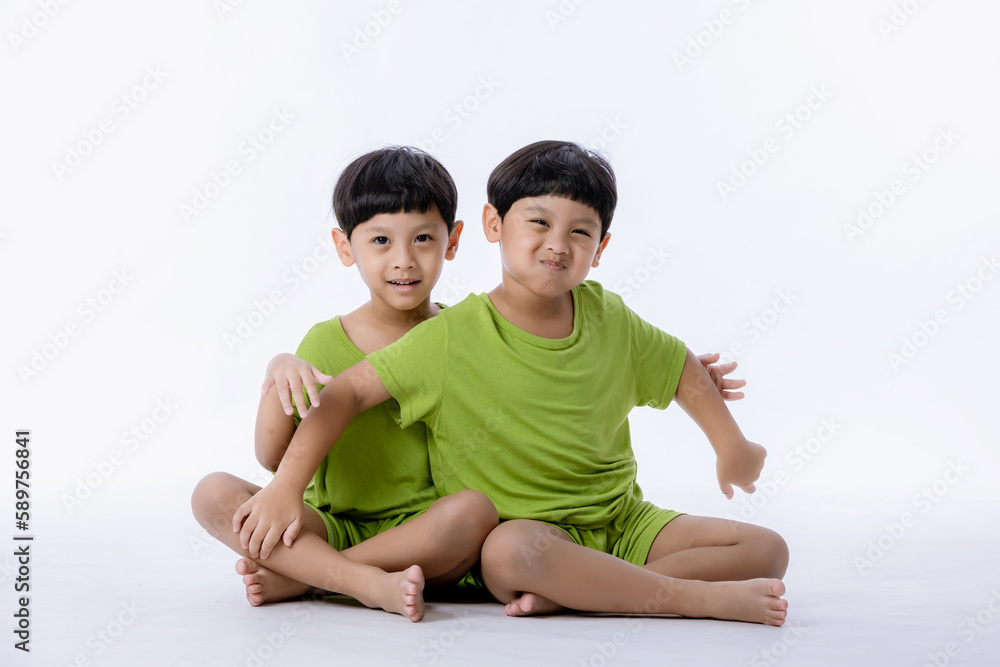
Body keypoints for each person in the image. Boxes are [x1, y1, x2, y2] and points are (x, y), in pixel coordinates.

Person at [234, 140, 789, 625]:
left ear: (601, 248)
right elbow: (347, 393)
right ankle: (689, 599)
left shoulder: (611, 317)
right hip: (528, 534)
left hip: (624, 522)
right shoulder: (453, 334)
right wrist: (285, 485)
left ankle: (586, 591)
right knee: (508, 551)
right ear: (493, 226)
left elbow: (681, 369)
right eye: (540, 223)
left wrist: (730, 446)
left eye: (580, 232)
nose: (558, 244)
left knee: (768, 548)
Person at [191, 146, 499, 622]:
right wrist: (278, 371)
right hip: (330, 525)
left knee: (475, 512)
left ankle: (310, 578)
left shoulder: (464, 333)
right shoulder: (326, 340)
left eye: (422, 238)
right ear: (344, 247)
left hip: (422, 535)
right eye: (380, 241)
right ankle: (363, 582)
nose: (404, 260)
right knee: (211, 493)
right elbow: (272, 457)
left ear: (452, 241)